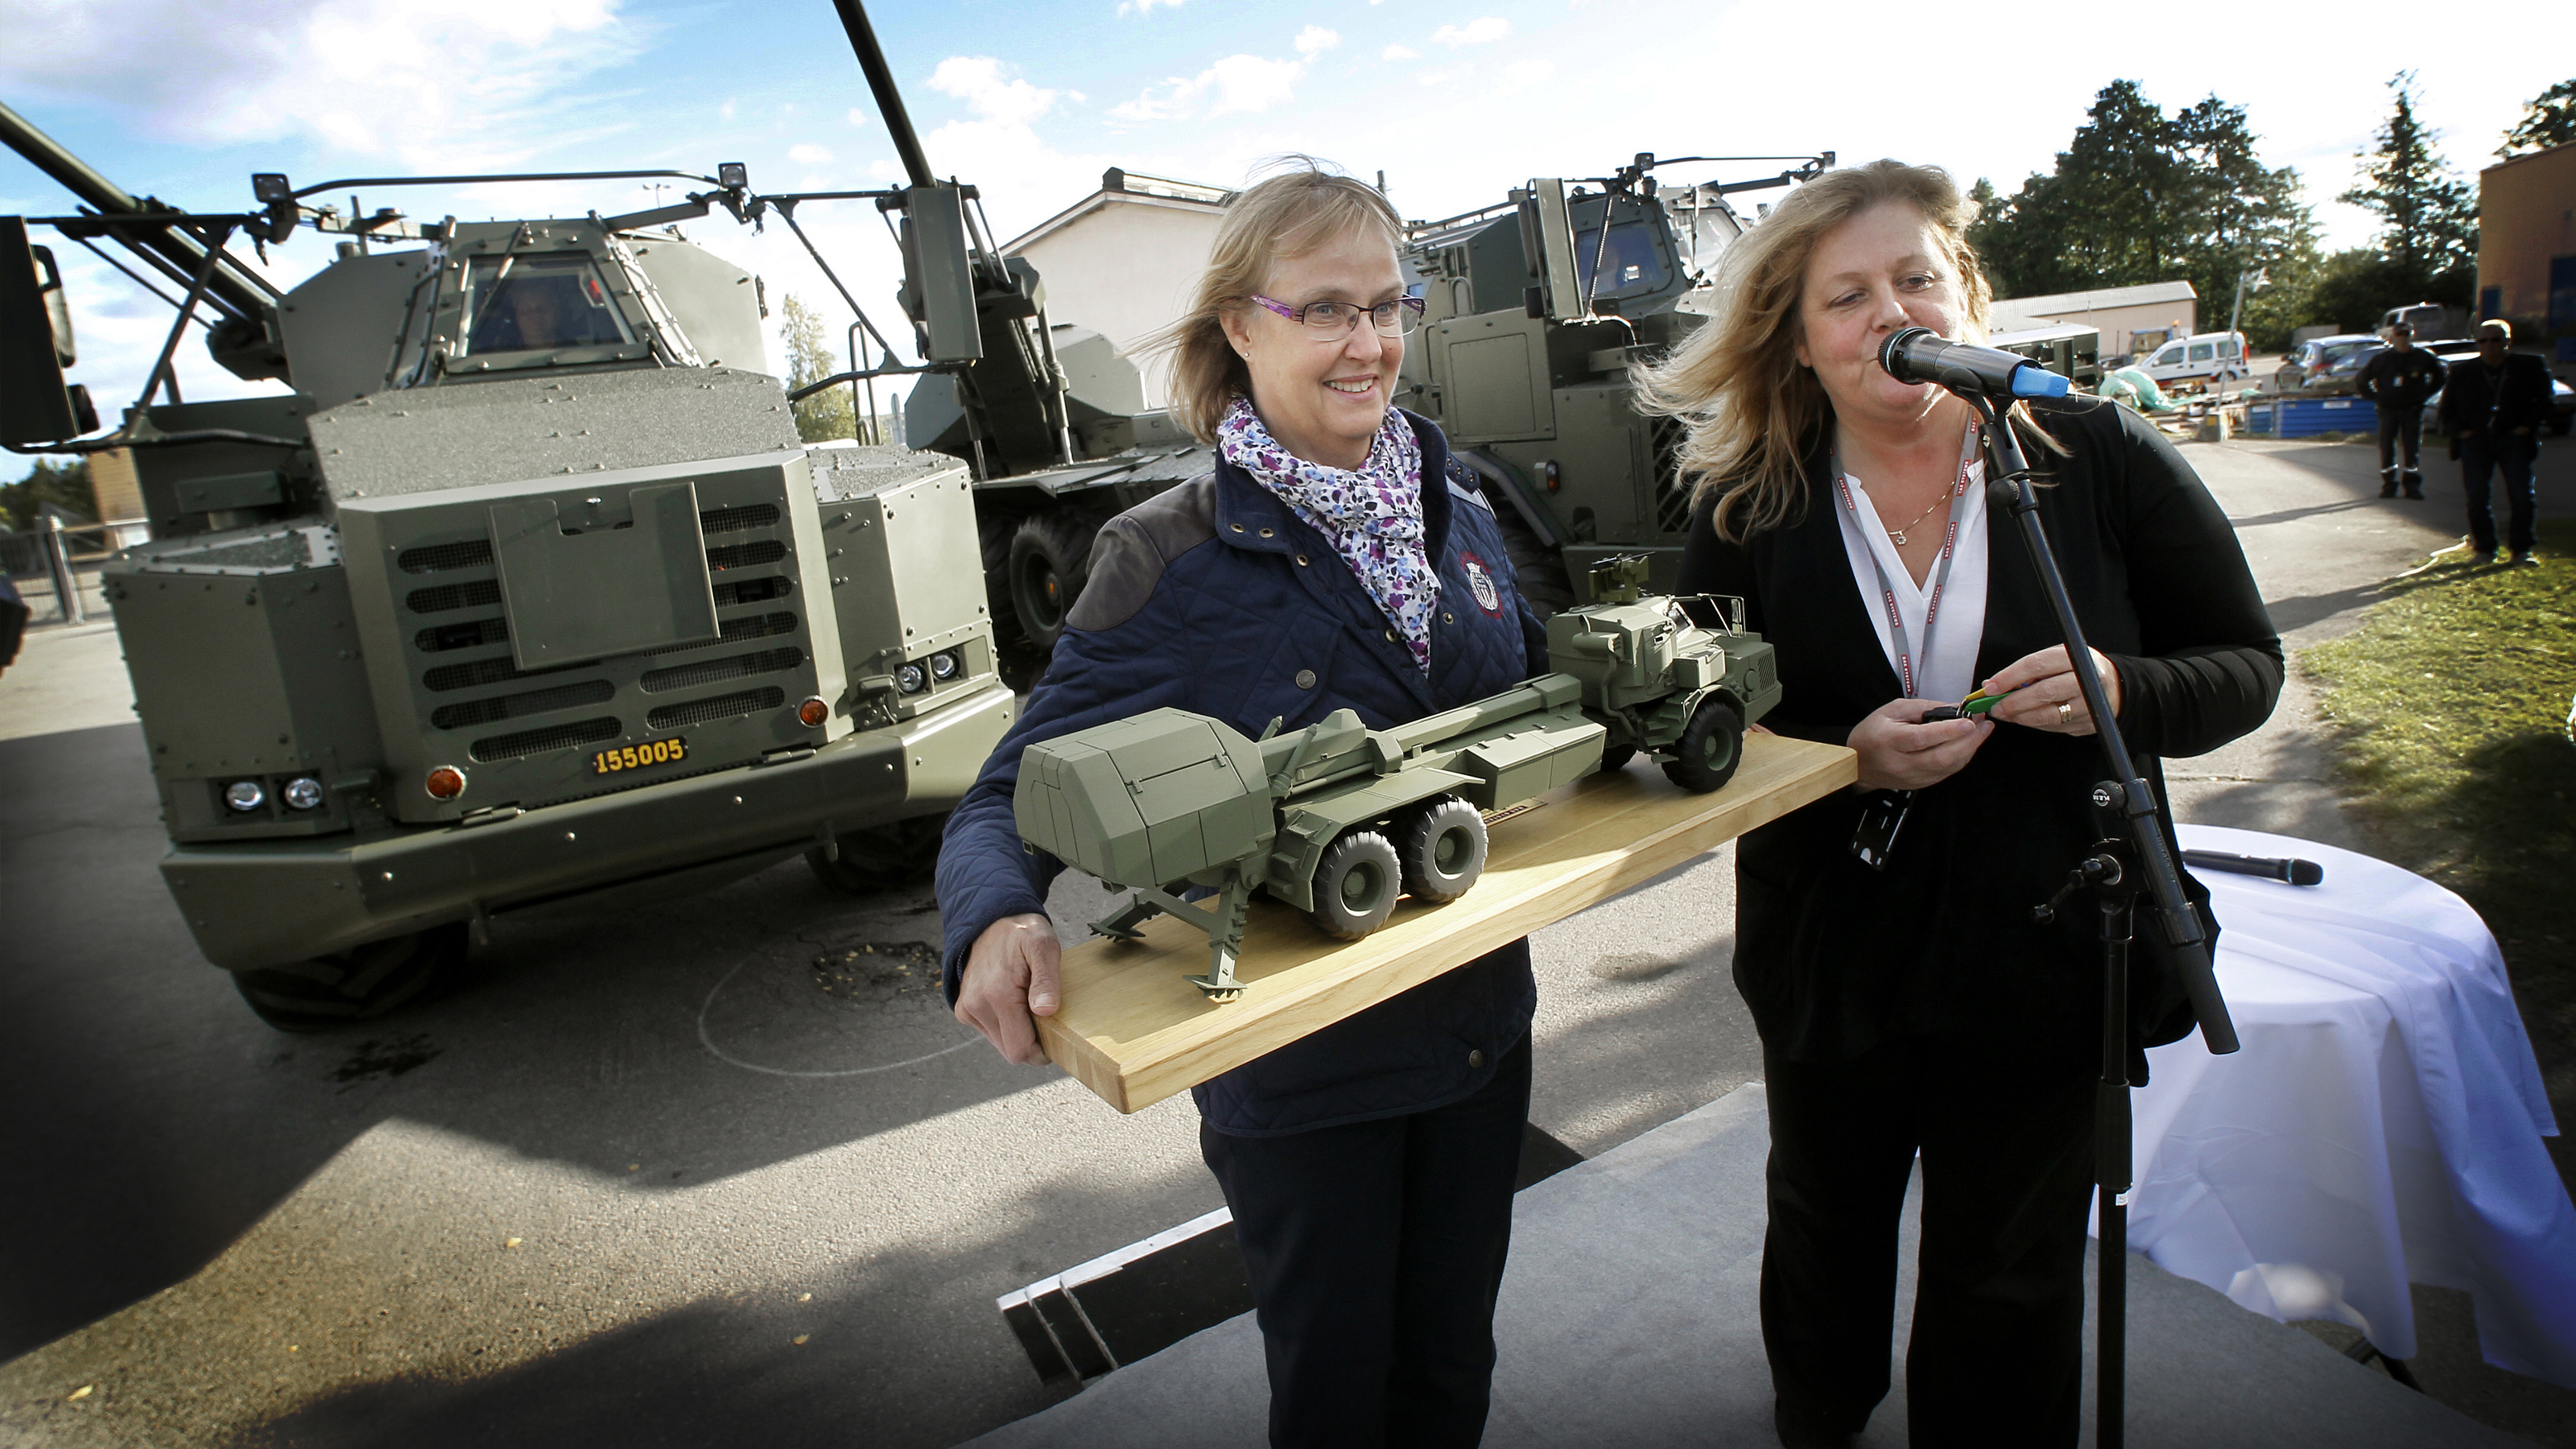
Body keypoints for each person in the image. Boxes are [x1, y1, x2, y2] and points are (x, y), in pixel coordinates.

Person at [1633, 159, 2282, 1449]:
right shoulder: (1745, 498)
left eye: (1917, 277)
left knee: (2010, 1263)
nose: (1891, 312)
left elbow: (2245, 666)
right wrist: (1837, 757)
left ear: (1969, 298)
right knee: (1823, 1220)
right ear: (1800, 342)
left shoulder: (2093, 452)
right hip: (1833, 939)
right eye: (1848, 295)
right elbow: (1683, 730)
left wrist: (2121, 687)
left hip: (2046, 941)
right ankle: (1820, 1416)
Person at [934, 162, 1550, 1449]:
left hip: (1482, 1033)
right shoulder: (1167, 556)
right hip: (1309, 1080)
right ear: (1241, 326)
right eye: (1324, 308)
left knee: (1450, 1372)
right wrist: (995, 919)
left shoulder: (1466, 503)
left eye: (1389, 303)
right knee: (1337, 1394)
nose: (1368, 342)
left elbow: (1538, 701)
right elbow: (1009, 796)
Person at [2436, 319, 2553, 564]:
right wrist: (2461, 432)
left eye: (2496, 339)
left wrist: (2527, 426)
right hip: (2477, 441)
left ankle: (2521, 550)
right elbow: (2446, 410)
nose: (2489, 345)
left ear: (2508, 341)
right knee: (2477, 497)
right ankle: (2485, 549)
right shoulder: (2463, 371)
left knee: (2521, 495)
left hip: (2513, 439)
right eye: (2483, 340)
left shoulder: (2529, 365)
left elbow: (2545, 400)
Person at [2353, 321, 2446, 497]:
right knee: (2387, 446)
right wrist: (2375, 397)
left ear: (2412, 335)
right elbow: (2362, 380)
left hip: (2412, 409)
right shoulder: (2382, 359)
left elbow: (2441, 376)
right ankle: (2389, 484)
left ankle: (2412, 485)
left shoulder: (2423, 357)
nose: (2403, 337)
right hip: (2388, 409)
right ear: (2392, 337)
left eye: (2406, 334)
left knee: (2412, 448)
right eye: (2400, 334)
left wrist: (2424, 394)